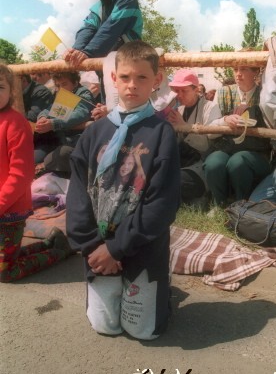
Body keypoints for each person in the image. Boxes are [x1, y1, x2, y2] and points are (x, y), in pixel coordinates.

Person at [66, 40, 180, 340]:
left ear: (156, 81)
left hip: (141, 246)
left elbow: (162, 203)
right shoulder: (94, 132)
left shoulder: (162, 133)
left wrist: (117, 248)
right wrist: (92, 245)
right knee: (106, 326)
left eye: (142, 77)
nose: (132, 85)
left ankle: (160, 290)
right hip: (98, 246)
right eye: (126, 77)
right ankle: (113, 280)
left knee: (144, 331)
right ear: (113, 79)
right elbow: (78, 192)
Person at [0, 64, 73, 283]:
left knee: (5, 271)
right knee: (6, 255)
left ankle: (60, 251)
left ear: (11, 92)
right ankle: (51, 242)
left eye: (0, 86)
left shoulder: (16, 123)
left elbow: (21, 173)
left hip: (10, 211)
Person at [63, 0, 143, 103]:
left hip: (130, 70)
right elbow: (86, 30)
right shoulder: (97, 9)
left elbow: (111, 27)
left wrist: (87, 52)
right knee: (111, 115)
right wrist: (75, 51)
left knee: (132, 114)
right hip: (106, 73)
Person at [204, 66, 271, 208]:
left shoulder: (266, 93)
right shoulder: (223, 92)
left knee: (238, 161)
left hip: (257, 151)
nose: (238, 74)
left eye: (244, 69)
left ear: (256, 71)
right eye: (235, 69)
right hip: (226, 147)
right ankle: (219, 203)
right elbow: (209, 131)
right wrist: (225, 120)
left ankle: (242, 204)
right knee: (213, 163)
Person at [167, 69, 222, 206]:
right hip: (182, 162)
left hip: (201, 165)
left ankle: (201, 197)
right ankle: (190, 200)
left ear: (196, 89)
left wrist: (184, 126)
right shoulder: (178, 110)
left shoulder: (210, 107)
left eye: (183, 91)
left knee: (175, 182)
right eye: (176, 91)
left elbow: (207, 145)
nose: (179, 95)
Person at [34, 71, 95, 171]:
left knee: (56, 157)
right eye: (58, 85)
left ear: (75, 83)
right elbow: (48, 110)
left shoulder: (83, 93)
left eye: (64, 84)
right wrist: (42, 118)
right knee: (34, 157)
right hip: (59, 139)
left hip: (75, 142)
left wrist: (54, 123)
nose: (60, 88)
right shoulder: (64, 94)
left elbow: (80, 114)